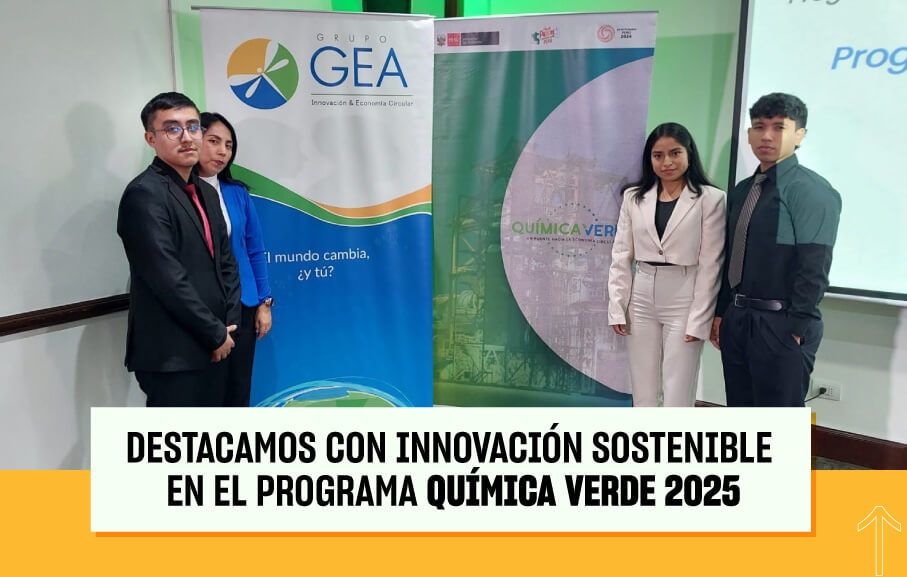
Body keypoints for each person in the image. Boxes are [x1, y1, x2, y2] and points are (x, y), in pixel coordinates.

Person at [711, 93, 841, 407]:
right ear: (749, 134)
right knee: (741, 412)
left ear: (799, 135)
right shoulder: (744, 189)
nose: (767, 136)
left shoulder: (810, 190)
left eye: (779, 127)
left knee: (778, 420)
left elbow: (815, 266)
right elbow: (731, 256)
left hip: (781, 323)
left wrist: (796, 327)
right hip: (738, 319)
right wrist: (722, 312)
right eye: (759, 127)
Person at [117, 92, 241, 406]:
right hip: (174, 354)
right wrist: (214, 333)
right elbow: (167, 279)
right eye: (173, 129)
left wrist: (228, 327)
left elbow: (226, 264)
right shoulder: (144, 194)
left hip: (219, 343)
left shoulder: (206, 192)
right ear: (151, 138)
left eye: (193, 127)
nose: (186, 137)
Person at [608, 123, 726, 407]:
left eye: (675, 153)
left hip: (684, 295)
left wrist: (700, 318)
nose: (667, 162)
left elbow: (711, 263)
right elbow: (621, 254)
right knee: (643, 391)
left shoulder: (710, 199)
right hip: (641, 294)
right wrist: (617, 305)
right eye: (658, 155)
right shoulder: (634, 197)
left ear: (689, 154)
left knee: (678, 391)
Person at [198, 112, 273, 407]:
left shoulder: (237, 193)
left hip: (242, 304)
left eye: (228, 146)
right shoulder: (177, 194)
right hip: (202, 310)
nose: (222, 152)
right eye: (214, 141)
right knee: (205, 393)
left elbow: (254, 250)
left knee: (238, 389)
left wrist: (264, 303)